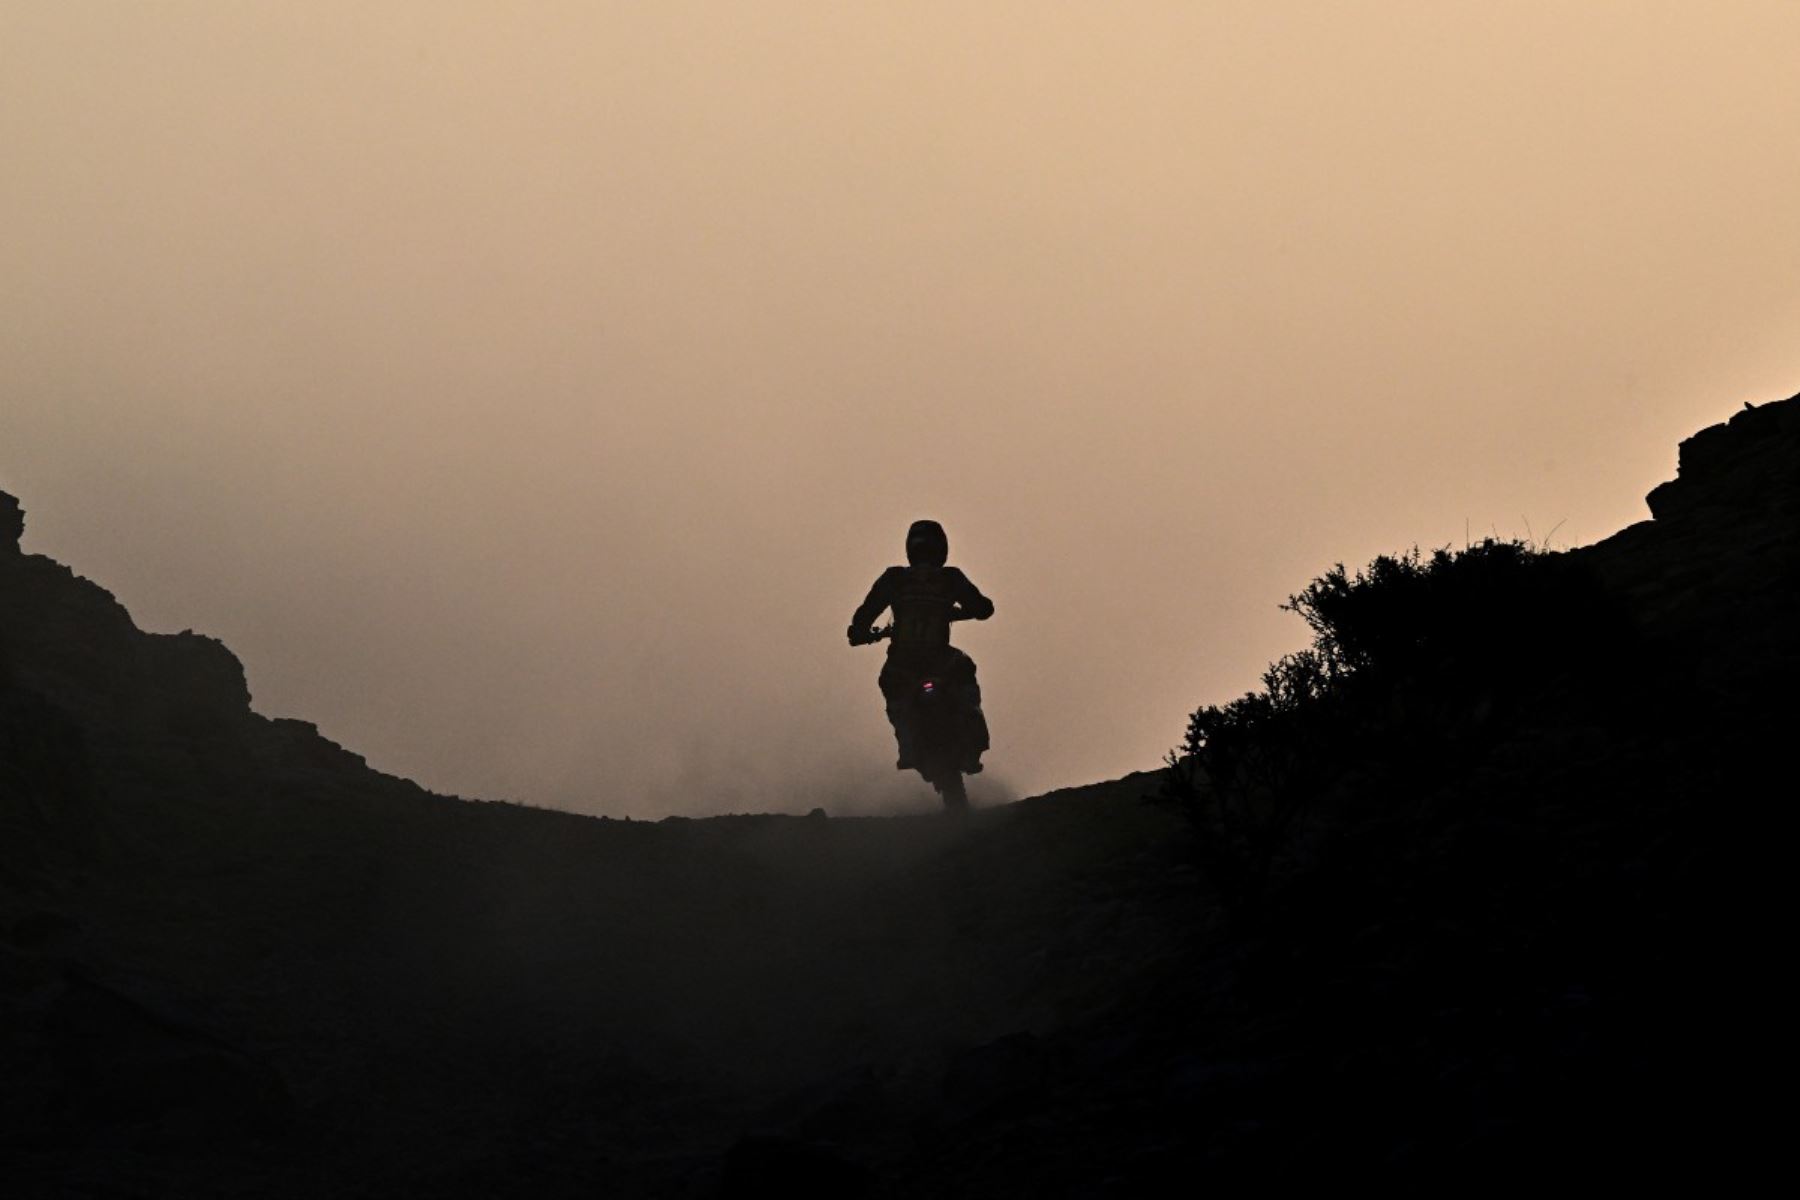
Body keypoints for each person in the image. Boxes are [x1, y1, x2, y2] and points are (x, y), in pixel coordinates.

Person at [846, 520, 994, 773]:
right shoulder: (950, 578)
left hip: (903, 662)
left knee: (890, 686)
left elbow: (865, 615)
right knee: (966, 672)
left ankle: (907, 745)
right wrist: (964, 611)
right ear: (942, 548)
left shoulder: (894, 578)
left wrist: (859, 633)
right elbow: (983, 608)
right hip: (940, 660)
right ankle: (972, 744)